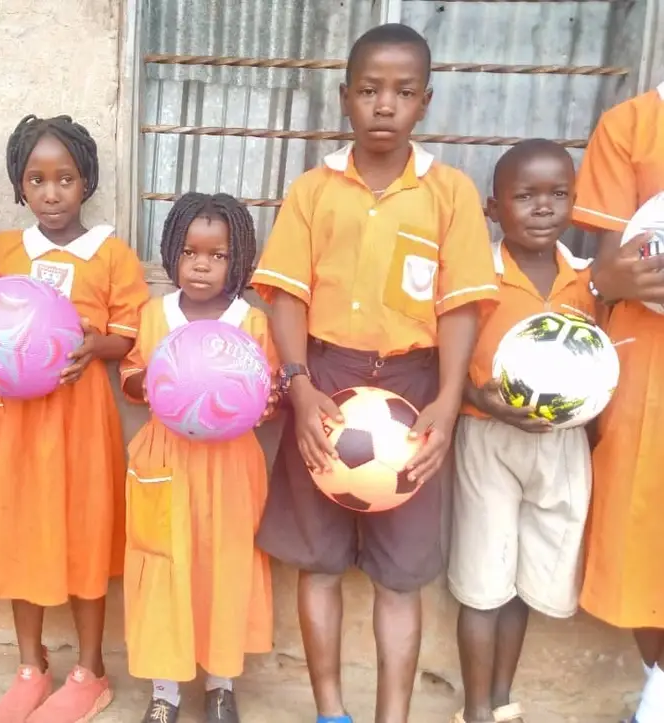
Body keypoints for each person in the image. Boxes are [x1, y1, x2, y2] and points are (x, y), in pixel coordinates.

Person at [249, 23, 499, 723]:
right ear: (344, 97)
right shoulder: (313, 191)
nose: (384, 105)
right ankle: (331, 710)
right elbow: (287, 296)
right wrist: (299, 390)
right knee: (319, 561)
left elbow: (458, 309)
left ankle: (394, 714)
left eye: (403, 91)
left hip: (416, 389)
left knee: (401, 574)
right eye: (368, 90)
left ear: (425, 102)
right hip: (324, 379)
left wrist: (448, 402)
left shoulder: (449, 194)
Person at [0, 114, 149, 723]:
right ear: (19, 186)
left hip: (78, 421)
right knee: (16, 533)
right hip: (10, 423)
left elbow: (129, 335)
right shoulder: (2, 250)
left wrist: (96, 345)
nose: (51, 192)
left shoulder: (110, 255)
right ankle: (31, 666)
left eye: (65, 178)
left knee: (83, 534)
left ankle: (91, 671)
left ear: (86, 182)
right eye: (36, 179)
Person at [449, 140, 594, 723]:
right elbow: (448, 355)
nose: (543, 208)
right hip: (487, 436)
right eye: (525, 196)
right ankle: (476, 709)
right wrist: (471, 397)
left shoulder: (584, 280)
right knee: (484, 579)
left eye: (558, 194)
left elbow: (599, 364)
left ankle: (503, 700)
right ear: (492, 207)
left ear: (575, 203)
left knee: (526, 581)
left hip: (560, 444)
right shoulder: (475, 276)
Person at [119, 192, 278, 723]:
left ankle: (220, 684)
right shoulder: (154, 314)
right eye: (190, 253)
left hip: (230, 465)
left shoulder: (249, 323)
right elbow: (133, 379)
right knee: (164, 567)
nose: (202, 265)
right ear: (172, 253)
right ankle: (164, 690)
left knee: (224, 566)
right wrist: (159, 377)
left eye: (218, 255)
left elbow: (267, 395)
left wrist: (257, 399)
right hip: (165, 461)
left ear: (239, 261)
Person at [572, 81, 664, 723]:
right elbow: (607, 267)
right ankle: (657, 687)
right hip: (644, 359)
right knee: (643, 532)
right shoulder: (633, 124)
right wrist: (615, 277)